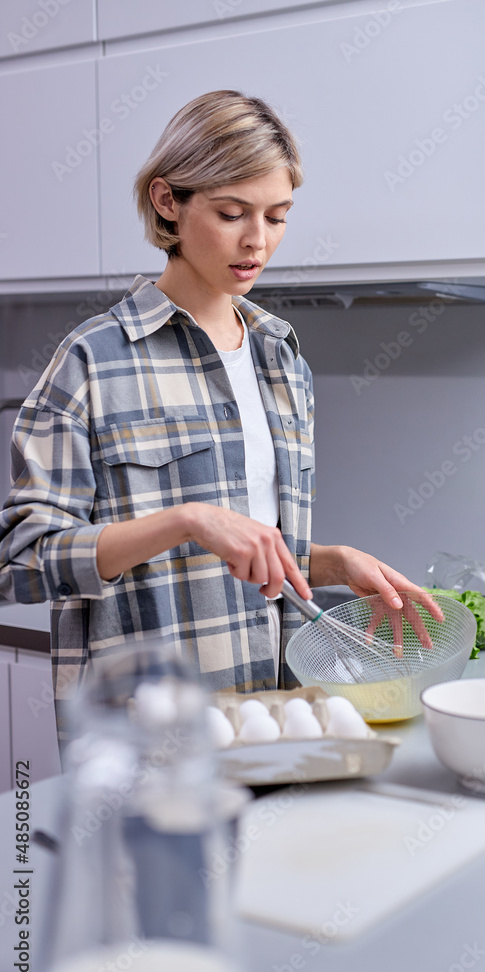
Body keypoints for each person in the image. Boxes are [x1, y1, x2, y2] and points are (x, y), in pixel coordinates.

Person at [0, 90, 439, 742]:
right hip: (149, 738)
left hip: (275, 723)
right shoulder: (93, 361)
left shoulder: (280, 357)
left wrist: (332, 561)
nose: (257, 241)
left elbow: (242, 557)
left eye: (277, 216)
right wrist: (185, 521)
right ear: (167, 201)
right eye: (232, 213)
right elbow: (23, 562)